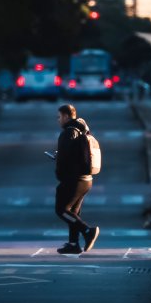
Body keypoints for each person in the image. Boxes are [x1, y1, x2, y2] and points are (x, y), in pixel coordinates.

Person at [52, 104, 100, 254]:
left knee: (61, 210)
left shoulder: (68, 133)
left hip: (74, 179)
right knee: (73, 212)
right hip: (86, 179)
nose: (58, 120)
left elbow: (64, 160)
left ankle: (87, 231)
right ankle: (73, 244)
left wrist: (60, 173)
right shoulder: (82, 130)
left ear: (66, 116)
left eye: (59, 117)